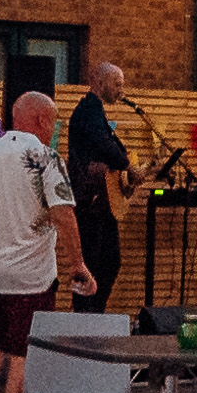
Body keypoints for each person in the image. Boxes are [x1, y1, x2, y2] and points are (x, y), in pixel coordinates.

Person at [0, 89, 80, 393]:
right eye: (53, 124)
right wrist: (78, 263)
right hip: (31, 275)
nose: (53, 132)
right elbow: (62, 214)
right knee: (23, 350)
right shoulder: (47, 158)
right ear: (42, 120)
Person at [67, 58, 146, 311]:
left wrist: (125, 170)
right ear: (99, 82)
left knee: (109, 261)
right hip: (91, 202)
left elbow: (106, 147)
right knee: (94, 261)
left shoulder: (96, 111)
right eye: (117, 83)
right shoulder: (89, 109)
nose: (121, 89)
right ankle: (86, 316)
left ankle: (94, 312)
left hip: (102, 202)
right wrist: (128, 165)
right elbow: (102, 144)